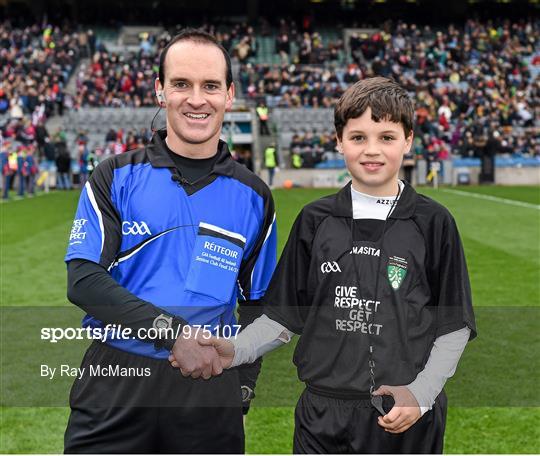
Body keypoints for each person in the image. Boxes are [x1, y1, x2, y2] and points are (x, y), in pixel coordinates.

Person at [183, 77, 477, 453]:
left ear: (408, 141)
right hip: (322, 415)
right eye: (358, 138)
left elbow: (454, 325)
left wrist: (421, 394)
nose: (372, 150)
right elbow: (283, 318)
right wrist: (236, 349)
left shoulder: (433, 222)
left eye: (386, 137)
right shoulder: (314, 220)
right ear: (339, 142)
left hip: (407, 412)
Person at [63, 29, 277, 453]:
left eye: (210, 86)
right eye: (181, 84)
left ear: (229, 95)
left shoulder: (255, 197)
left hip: (209, 384)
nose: (196, 99)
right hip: (116, 379)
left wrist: (244, 385)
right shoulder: (114, 175)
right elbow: (84, 279)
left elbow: (260, 303)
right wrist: (173, 333)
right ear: (161, 91)